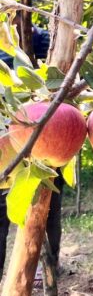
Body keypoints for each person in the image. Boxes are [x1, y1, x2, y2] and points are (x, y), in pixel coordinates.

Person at [0, 21, 63, 281]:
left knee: (46, 204)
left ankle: (48, 265)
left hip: (42, 130)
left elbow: (58, 73)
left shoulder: (41, 38)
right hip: (8, 134)